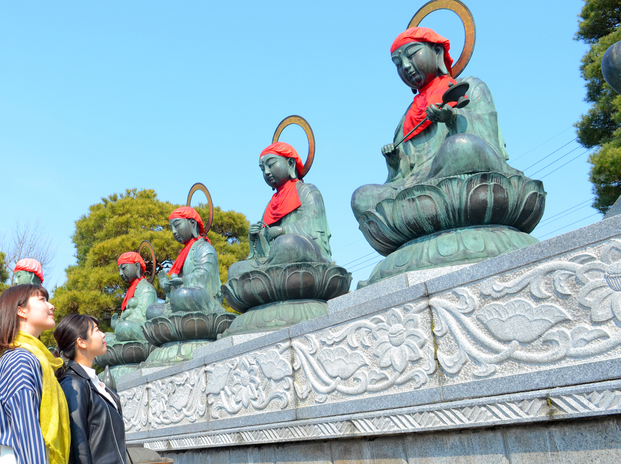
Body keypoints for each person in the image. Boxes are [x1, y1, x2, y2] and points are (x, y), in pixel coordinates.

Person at [351, 26, 521, 218]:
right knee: (362, 198)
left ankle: (427, 204)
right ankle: (423, 206)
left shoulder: (468, 88)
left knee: (461, 147)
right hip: (418, 187)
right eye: (398, 63)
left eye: (412, 54)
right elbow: (403, 175)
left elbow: (488, 143)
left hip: (460, 179)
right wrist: (395, 161)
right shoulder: (409, 115)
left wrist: (452, 119)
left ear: (437, 51)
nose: (405, 66)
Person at [0, 284, 70, 464]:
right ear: (21, 311)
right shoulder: (19, 359)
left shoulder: (35, 358)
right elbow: (26, 430)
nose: (51, 306)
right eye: (42, 299)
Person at [228, 141, 333, 280]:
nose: (266, 172)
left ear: (290, 164)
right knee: (236, 270)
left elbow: (313, 226)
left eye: (271, 165)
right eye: (262, 169)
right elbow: (264, 246)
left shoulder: (307, 191)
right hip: (273, 261)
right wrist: (256, 237)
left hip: (304, 255)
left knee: (285, 244)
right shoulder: (271, 204)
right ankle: (270, 278)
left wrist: (282, 231)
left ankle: (271, 278)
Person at [55, 314, 129, 464]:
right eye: (96, 330)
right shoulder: (73, 384)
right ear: (81, 342)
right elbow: (78, 446)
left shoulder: (96, 383)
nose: (103, 334)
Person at [146, 206, 225, 318]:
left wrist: (182, 281)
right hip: (182, 300)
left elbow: (204, 277)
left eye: (177, 226)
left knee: (182, 295)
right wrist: (168, 288)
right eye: (171, 228)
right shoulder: (184, 254)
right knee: (152, 310)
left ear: (192, 224)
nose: (174, 231)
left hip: (202, 298)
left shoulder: (204, 248)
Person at [108, 251, 156, 341]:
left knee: (125, 327)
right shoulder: (131, 291)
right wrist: (117, 323)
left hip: (143, 332)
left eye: (124, 268)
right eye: (119, 270)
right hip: (127, 330)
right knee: (105, 338)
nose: (121, 273)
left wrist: (121, 324)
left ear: (137, 266)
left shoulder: (146, 288)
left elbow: (143, 318)